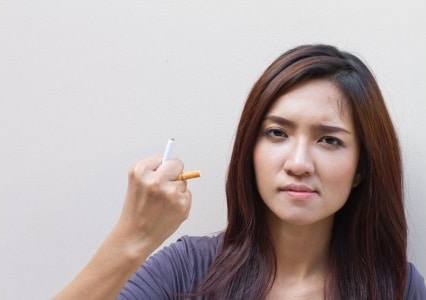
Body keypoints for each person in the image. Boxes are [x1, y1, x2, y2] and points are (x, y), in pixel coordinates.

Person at [54, 44, 426, 299]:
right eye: (277, 133)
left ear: (361, 168)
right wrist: (132, 236)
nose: (298, 163)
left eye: (329, 140)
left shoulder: (397, 287)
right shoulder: (187, 271)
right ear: (251, 150)